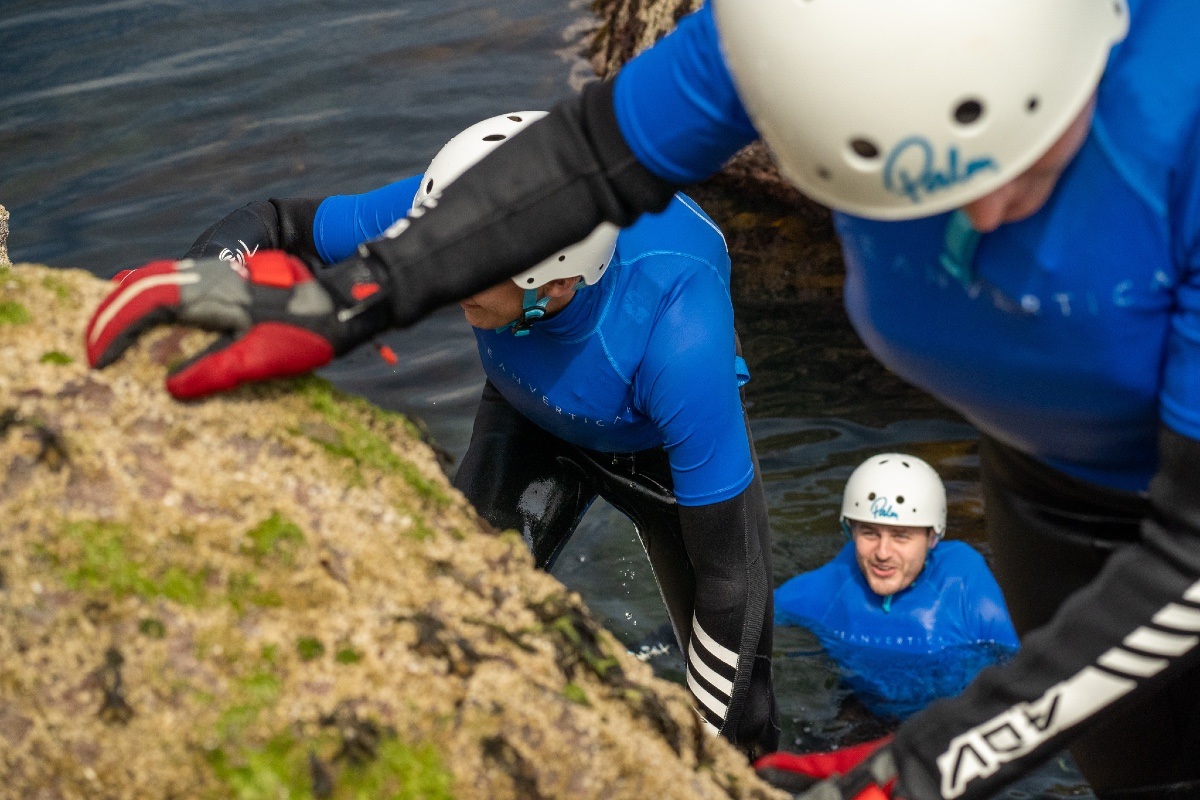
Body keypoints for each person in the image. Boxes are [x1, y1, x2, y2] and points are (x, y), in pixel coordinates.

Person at [85, 0, 1200, 797]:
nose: (990, 224)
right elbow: (588, 155)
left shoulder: (1183, 118)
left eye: (1036, 161)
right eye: (915, 197)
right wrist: (355, 294)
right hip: (1044, 469)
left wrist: (923, 759)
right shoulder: (791, 36)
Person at [112, 112, 780, 756]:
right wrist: (201, 284)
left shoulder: (682, 333)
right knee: (454, 622)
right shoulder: (448, 211)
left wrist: (704, 762)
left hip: (657, 454)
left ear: (555, 280)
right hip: (529, 415)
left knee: (740, 720)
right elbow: (279, 222)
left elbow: (728, 583)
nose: (447, 273)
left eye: (473, 268)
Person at [774, 454, 1018, 720]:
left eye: (901, 536)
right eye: (869, 533)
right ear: (850, 531)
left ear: (932, 537)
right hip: (867, 706)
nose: (882, 553)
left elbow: (1029, 664)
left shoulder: (964, 585)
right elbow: (752, 616)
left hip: (956, 718)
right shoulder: (831, 586)